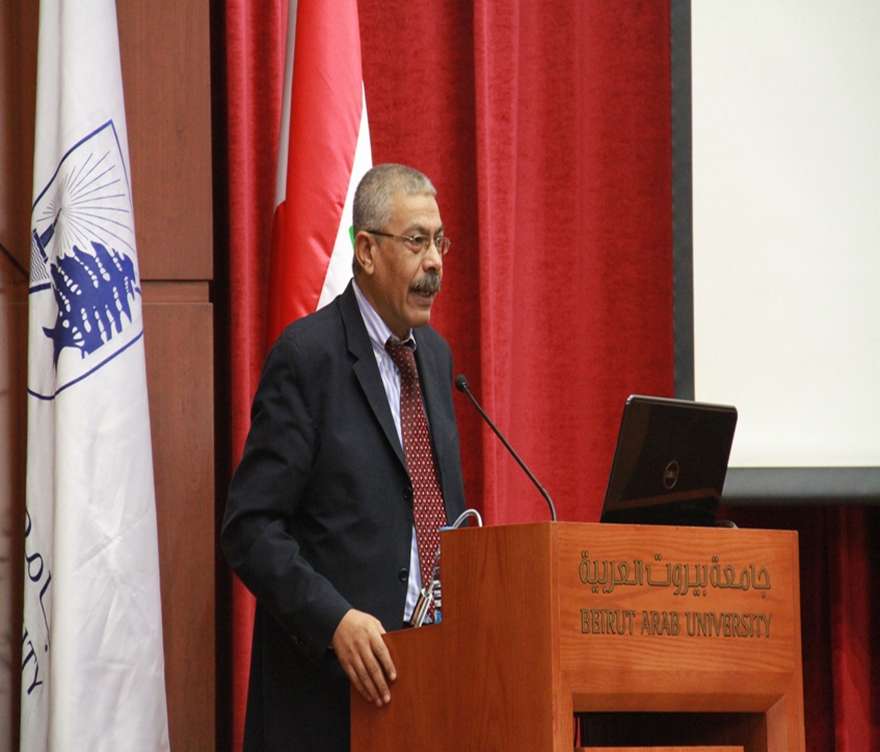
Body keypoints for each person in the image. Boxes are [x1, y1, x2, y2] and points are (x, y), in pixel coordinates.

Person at [221, 163, 466, 752]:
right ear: (366, 251)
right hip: (327, 703)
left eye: (440, 241)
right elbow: (250, 529)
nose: (435, 261)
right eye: (416, 241)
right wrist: (334, 620)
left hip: (429, 687)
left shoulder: (435, 359)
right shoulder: (308, 357)